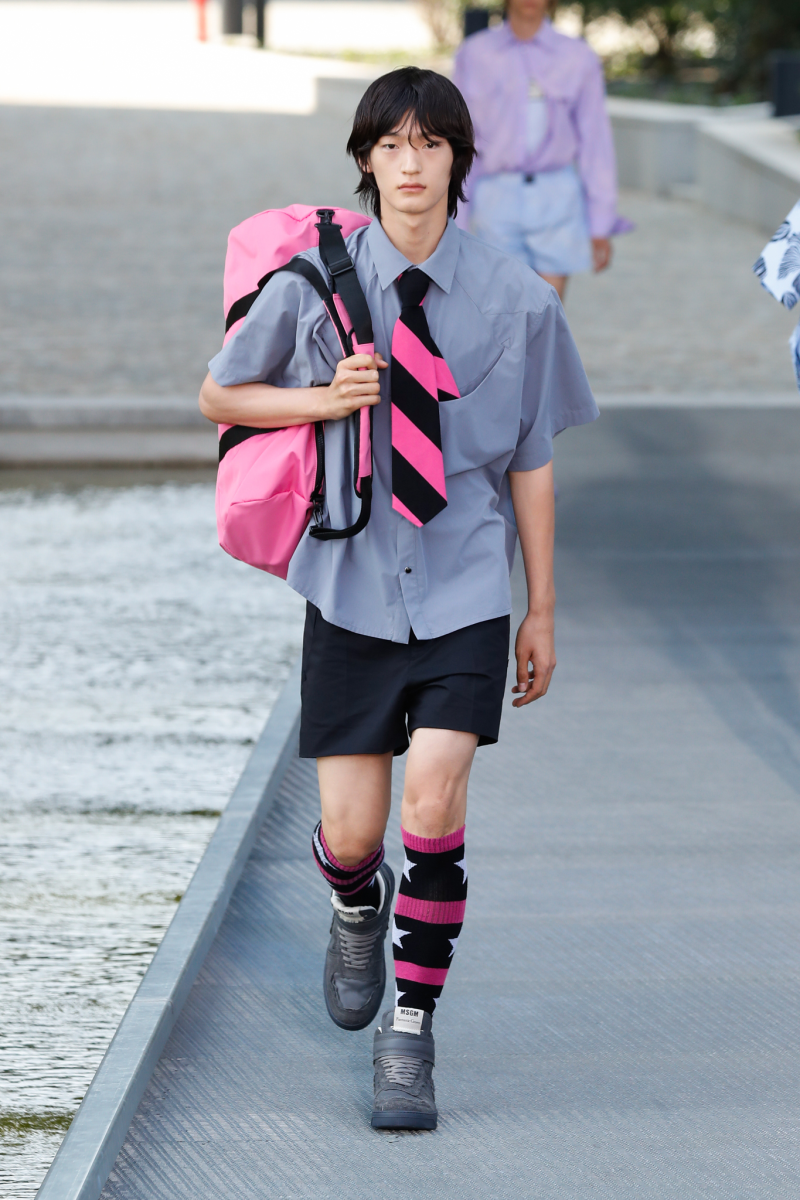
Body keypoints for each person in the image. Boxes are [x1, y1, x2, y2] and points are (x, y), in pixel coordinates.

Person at [199, 67, 597, 1130]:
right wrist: (319, 400)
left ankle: (409, 1037)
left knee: (434, 804)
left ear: (459, 160)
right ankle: (351, 904)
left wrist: (541, 608)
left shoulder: (519, 299)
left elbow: (531, 463)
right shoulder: (313, 287)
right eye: (389, 146)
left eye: (429, 145)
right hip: (349, 588)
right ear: (365, 161)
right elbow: (218, 392)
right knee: (351, 832)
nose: (409, 165)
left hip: (466, 585)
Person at [454, 0, 630, 299]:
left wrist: (600, 222)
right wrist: (455, 219)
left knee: (547, 311)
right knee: (503, 309)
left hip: (556, 197)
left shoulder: (578, 56)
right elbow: (461, 140)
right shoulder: (474, 53)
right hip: (495, 197)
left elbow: (595, 141)